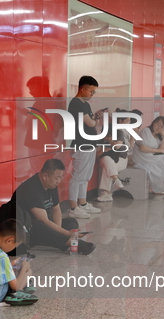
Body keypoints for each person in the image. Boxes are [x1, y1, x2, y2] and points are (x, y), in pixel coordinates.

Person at [12, 158, 95, 255]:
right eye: (56, 178)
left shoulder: (51, 185)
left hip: (42, 224)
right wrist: (66, 233)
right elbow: (44, 220)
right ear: (45, 176)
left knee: (71, 221)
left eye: (60, 177)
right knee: (39, 224)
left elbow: (56, 210)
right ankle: (72, 243)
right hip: (25, 230)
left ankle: (60, 238)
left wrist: (59, 231)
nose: (59, 181)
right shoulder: (32, 188)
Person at [67, 75, 104, 219]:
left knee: (86, 176)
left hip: (89, 144)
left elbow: (90, 120)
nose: (92, 94)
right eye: (91, 91)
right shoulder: (76, 104)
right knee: (78, 177)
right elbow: (90, 123)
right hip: (81, 144)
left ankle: (82, 204)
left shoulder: (85, 104)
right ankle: (73, 207)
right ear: (82, 89)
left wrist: (95, 118)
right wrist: (95, 120)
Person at [97, 109, 130, 202]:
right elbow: (97, 154)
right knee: (107, 159)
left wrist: (110, 141)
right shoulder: (100, 138)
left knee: (107, 167)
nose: (106, 137)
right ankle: (116, 180)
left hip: (121, 159)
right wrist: (105, 149)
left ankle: (106, 193)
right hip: (105, 159)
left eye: (109, 135)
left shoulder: (119, 133)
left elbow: (118, 146)